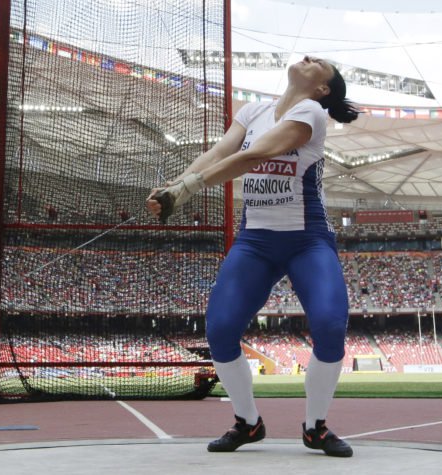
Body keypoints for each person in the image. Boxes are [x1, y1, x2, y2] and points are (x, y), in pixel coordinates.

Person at [147, 56, 359, 457]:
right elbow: (219, 152)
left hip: (307, 239)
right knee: (220, 329)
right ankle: (247, 423)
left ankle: (315, 428)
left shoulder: (311, 111)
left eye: (321, 64)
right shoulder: (253, 111)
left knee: (330, 326)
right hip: (255, 241)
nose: (310, 57)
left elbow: (253, 156)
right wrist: (170, 188)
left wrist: (188, 189)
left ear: (323, 89)